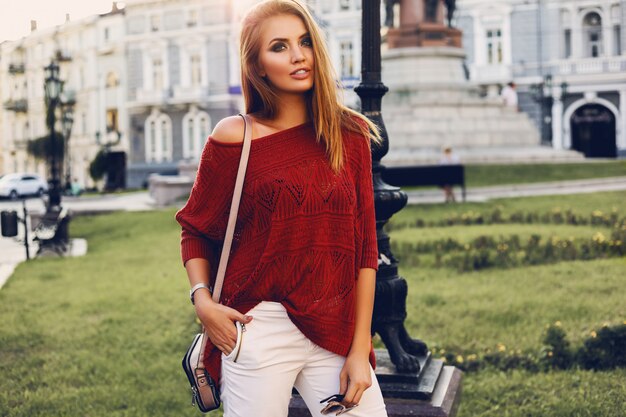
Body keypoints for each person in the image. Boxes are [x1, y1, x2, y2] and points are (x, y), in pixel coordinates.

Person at [174, 1, 388, 416]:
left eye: (305, 41)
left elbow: (366, 249)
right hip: (257, 328)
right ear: (256, 65)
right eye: (279, 46)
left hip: (336, 328)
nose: (297, 55)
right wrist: (203, 302)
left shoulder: (351, 134)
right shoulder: (236, 136)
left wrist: (361, 347)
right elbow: (196, 229)